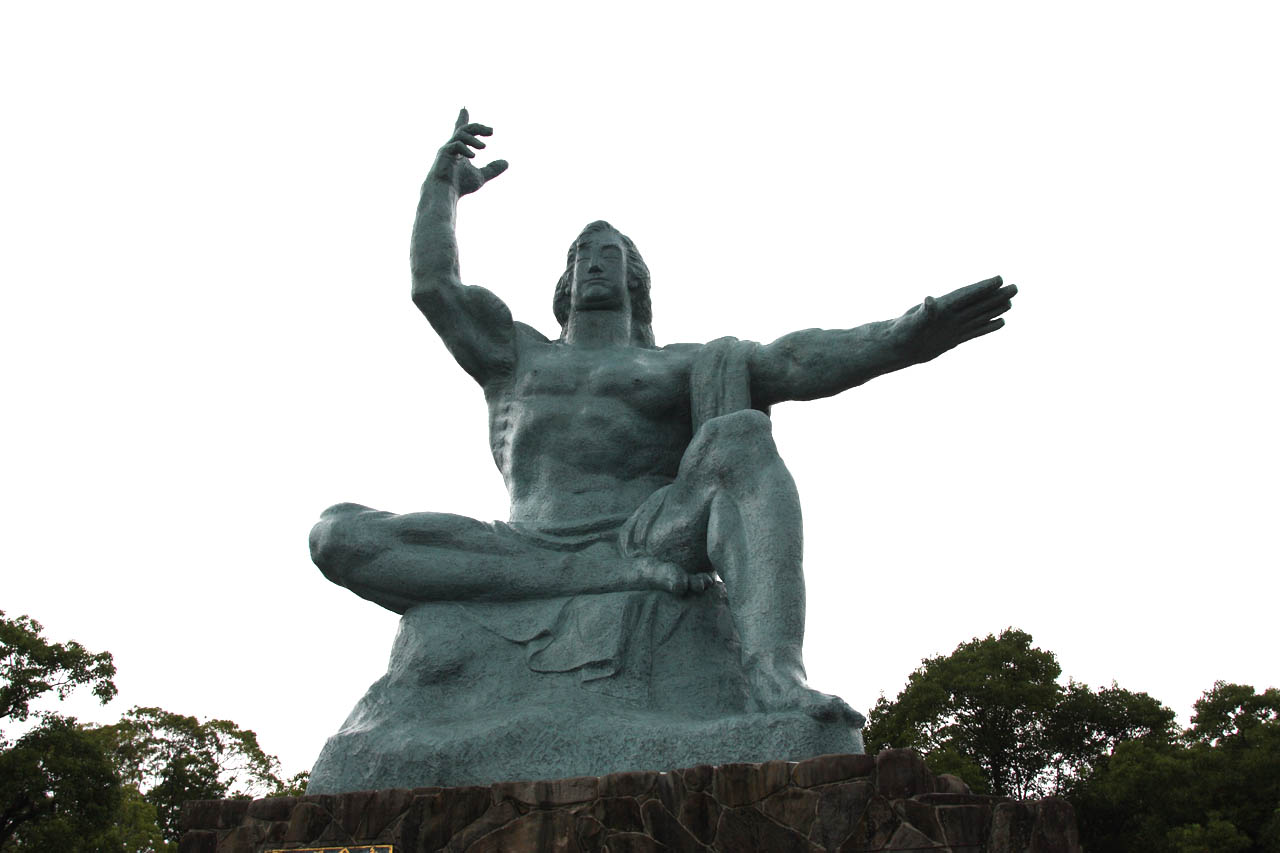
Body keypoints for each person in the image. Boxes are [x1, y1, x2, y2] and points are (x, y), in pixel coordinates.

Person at [309, 109, 1017, 723]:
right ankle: (585, 577)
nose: (594, 263)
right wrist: (442, 187)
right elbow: (435, 286)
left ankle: (775, 673)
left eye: (609, 255)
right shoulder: (514, 355)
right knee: (337, 533)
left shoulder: (683, 365)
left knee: (742, 437)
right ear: (563, 280)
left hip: (647, 536)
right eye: (581, 255)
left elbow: (795, 360)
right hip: (526, 546)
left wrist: (899, 338)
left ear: (635, 280)